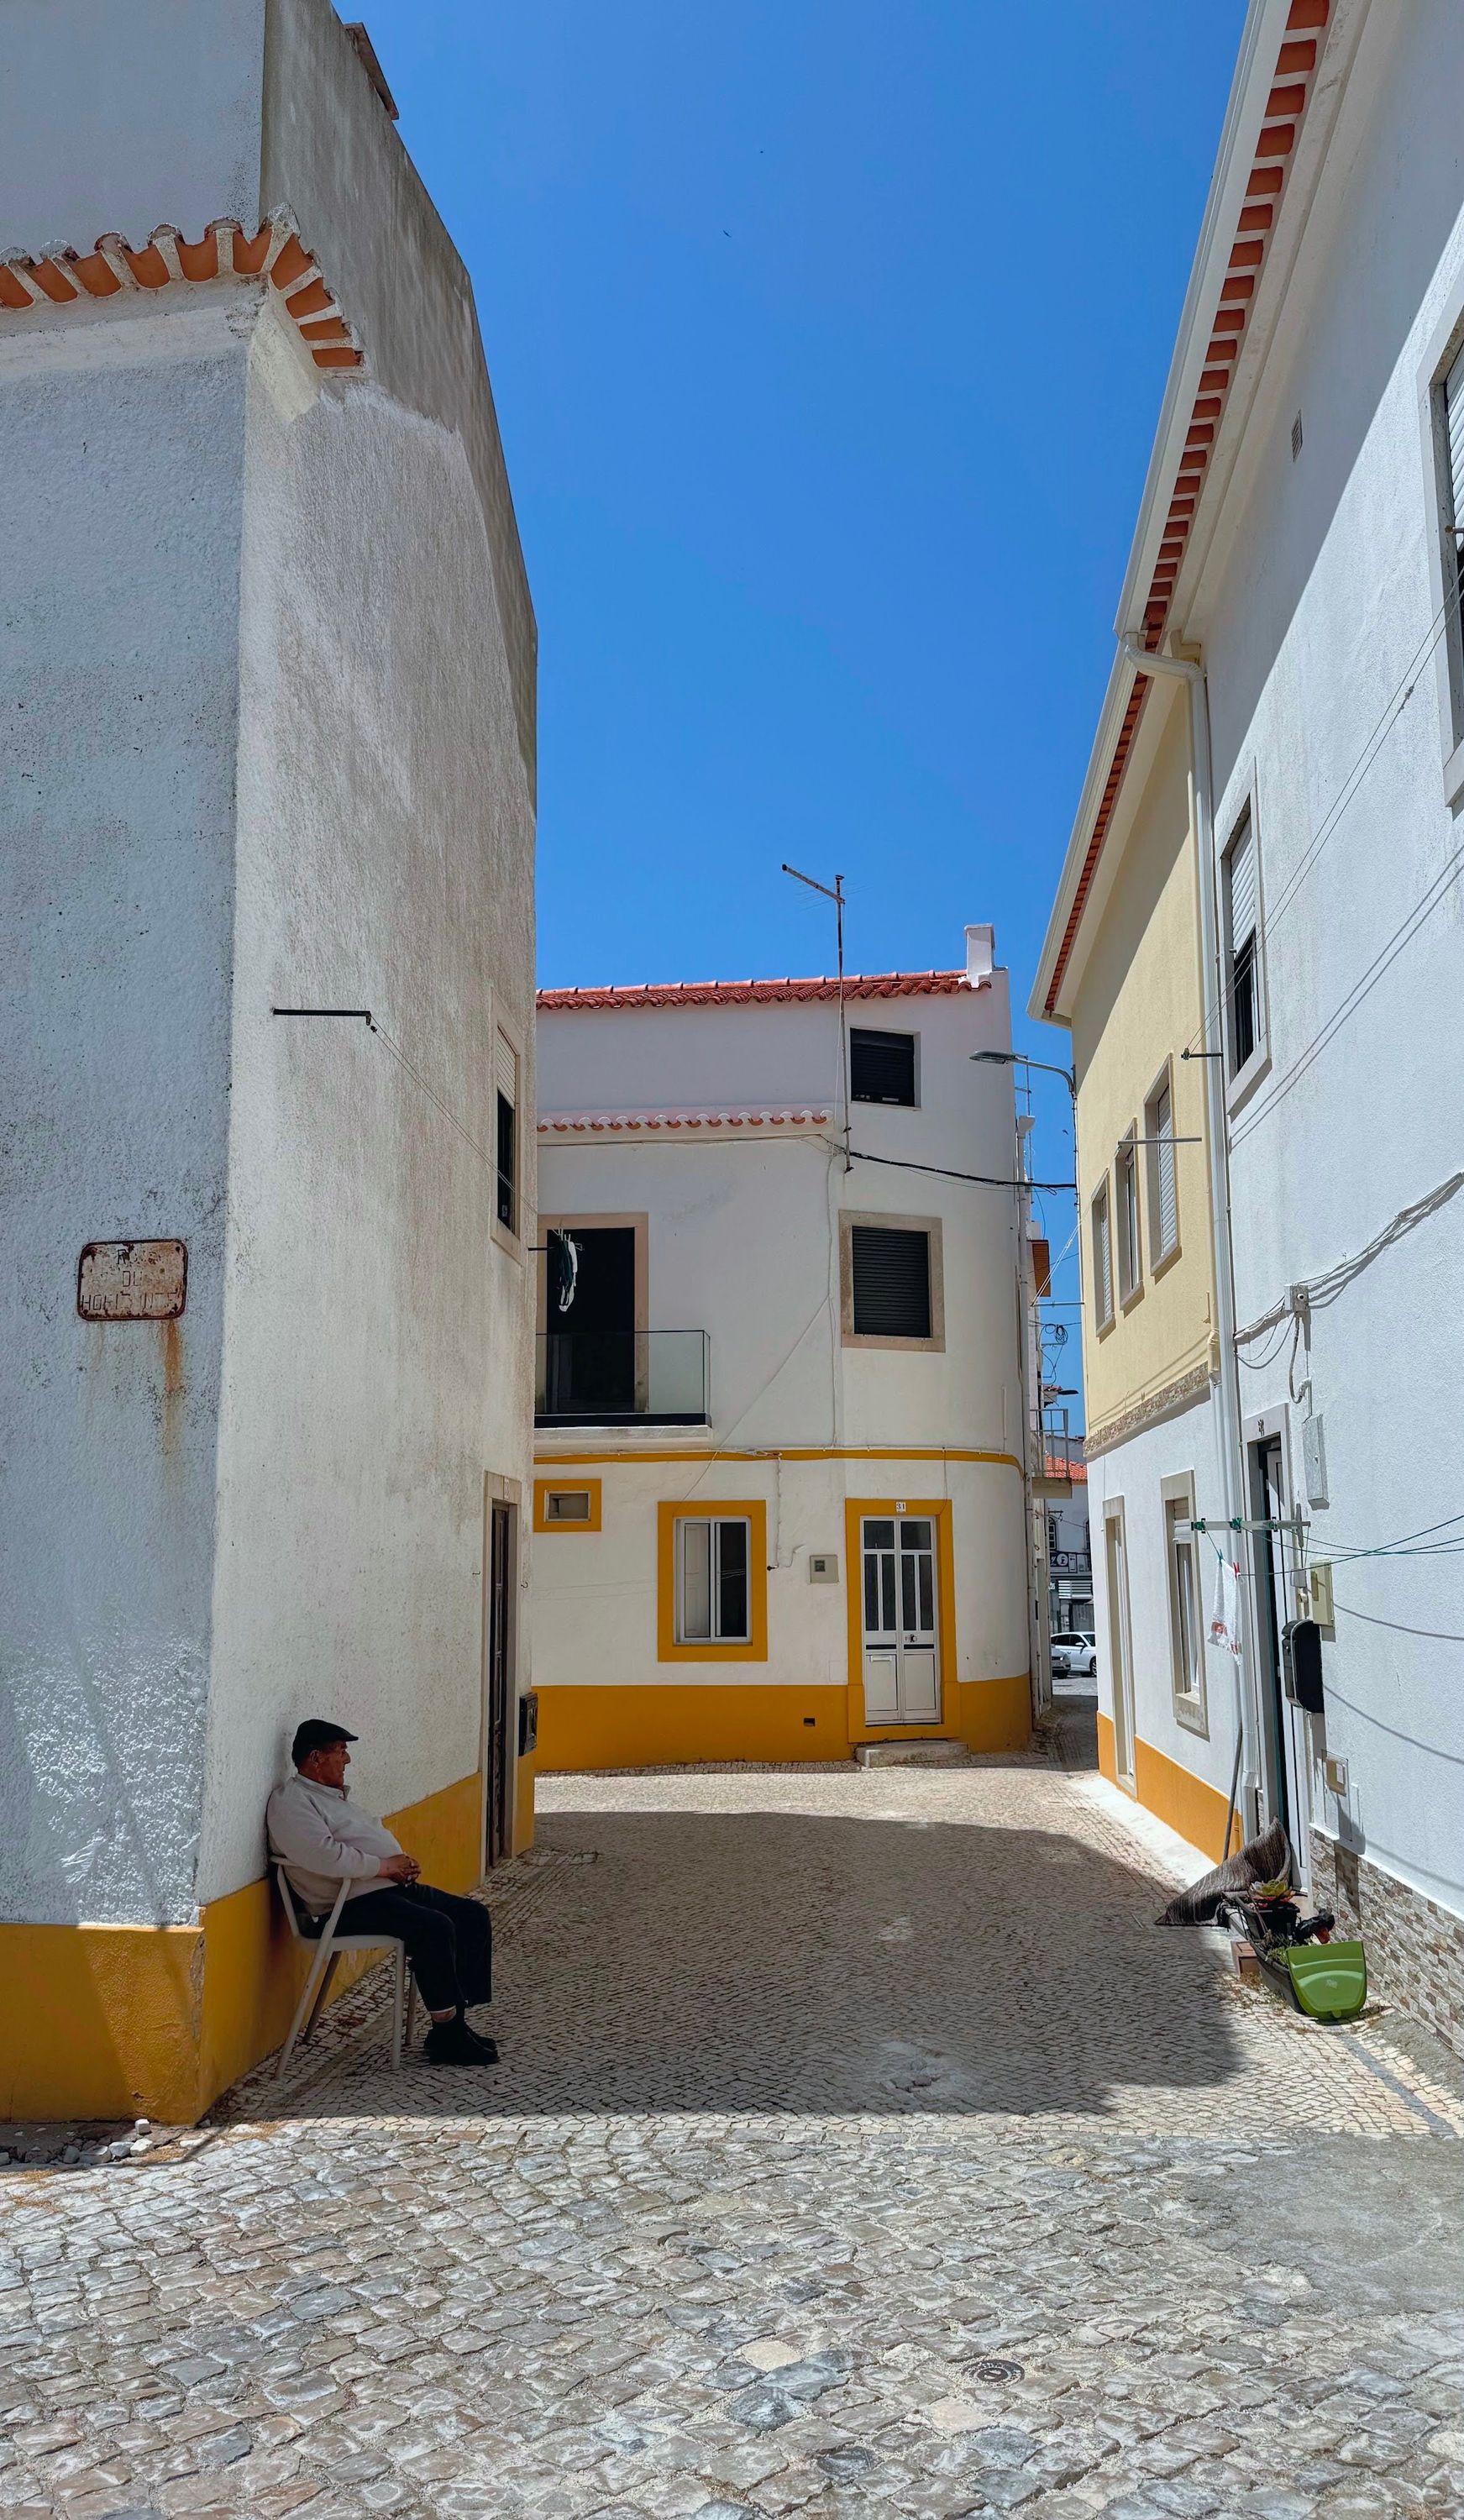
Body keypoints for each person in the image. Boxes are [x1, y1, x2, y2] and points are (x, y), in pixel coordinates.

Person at [267, 1719, 496, 2066]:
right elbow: (322, 1855)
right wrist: (386, 1867)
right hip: (346, 1905)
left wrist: (401, 1866)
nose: (347, 1760)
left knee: (472, 1916)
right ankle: (448, 2033)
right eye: (341, 1752)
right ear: (315, 1758)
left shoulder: (332, 1798)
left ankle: (454, 2020)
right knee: (434, 1928)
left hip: (382, 1890)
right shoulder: (292, 1801)